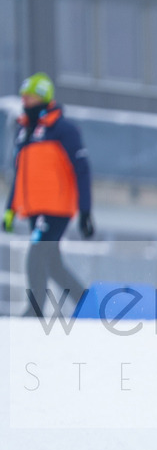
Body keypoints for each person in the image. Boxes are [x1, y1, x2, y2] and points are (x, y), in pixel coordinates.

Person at [3, 72, 94, 317]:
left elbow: (82, 170)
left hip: (56, 208)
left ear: (43, 97)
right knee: (53, 265)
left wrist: (85, 211)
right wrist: (10, 209)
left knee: (36, 253)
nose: (25, 102)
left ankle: (35, 311)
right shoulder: (24, 133)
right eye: (24, 97)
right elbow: (20, 175)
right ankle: (88, 304)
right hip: (35, 208)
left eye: (30, 96)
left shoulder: (63, 130)